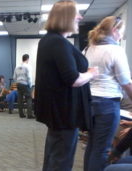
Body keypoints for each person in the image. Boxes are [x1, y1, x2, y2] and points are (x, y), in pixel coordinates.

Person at [34, 1, 99, 171]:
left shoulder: (50, 40)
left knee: (54, 155)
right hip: (64, 112)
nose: (80, 17)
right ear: (66, 17)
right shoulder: (58, 42)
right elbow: (73, 79)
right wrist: (91, 73)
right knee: (61, 160)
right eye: (76, 13)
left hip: (60, 112)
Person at [84, 16, 132, 171]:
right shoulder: (115, 50)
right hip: (107, 105)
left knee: (92, 146)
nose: (121, 36)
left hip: (89, 103)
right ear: (114, 30)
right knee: (102, 150)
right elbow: (126, 82)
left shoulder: (88, 49)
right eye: (121, 32)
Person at [13, 54, 34, 119]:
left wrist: (17, 82)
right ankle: (29, 115)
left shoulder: (17, 67)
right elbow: (29, 77)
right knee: (29, 98)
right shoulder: (28, 66)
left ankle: (21, 114)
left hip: (18, 84)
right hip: (25, 84)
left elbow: (14, 77)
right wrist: (30, 85)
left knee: (20, 99)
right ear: (27, 59)